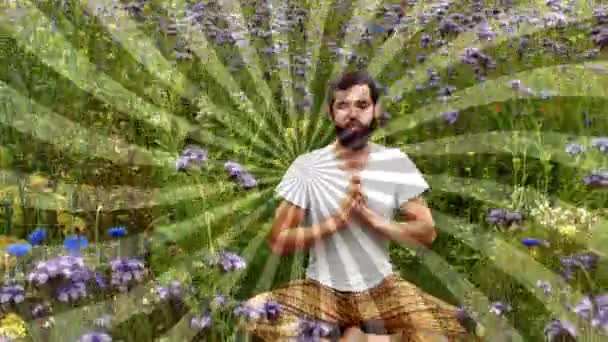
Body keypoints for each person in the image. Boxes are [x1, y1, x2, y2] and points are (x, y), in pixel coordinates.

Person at [238, 71, 482, 341]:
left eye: (362, 105)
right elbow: (278, 239)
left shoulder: (394, 161)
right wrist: (335, 222)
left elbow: (427, 232)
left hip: (382, 289)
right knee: (253, 313)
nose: (352, 114)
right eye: (342, 105)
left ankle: (358, 338)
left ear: (375, 111)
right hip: (321, 290)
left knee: (456, 329)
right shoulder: (307, 166)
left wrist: (377, 222)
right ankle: (351, 335)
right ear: (331, 114)